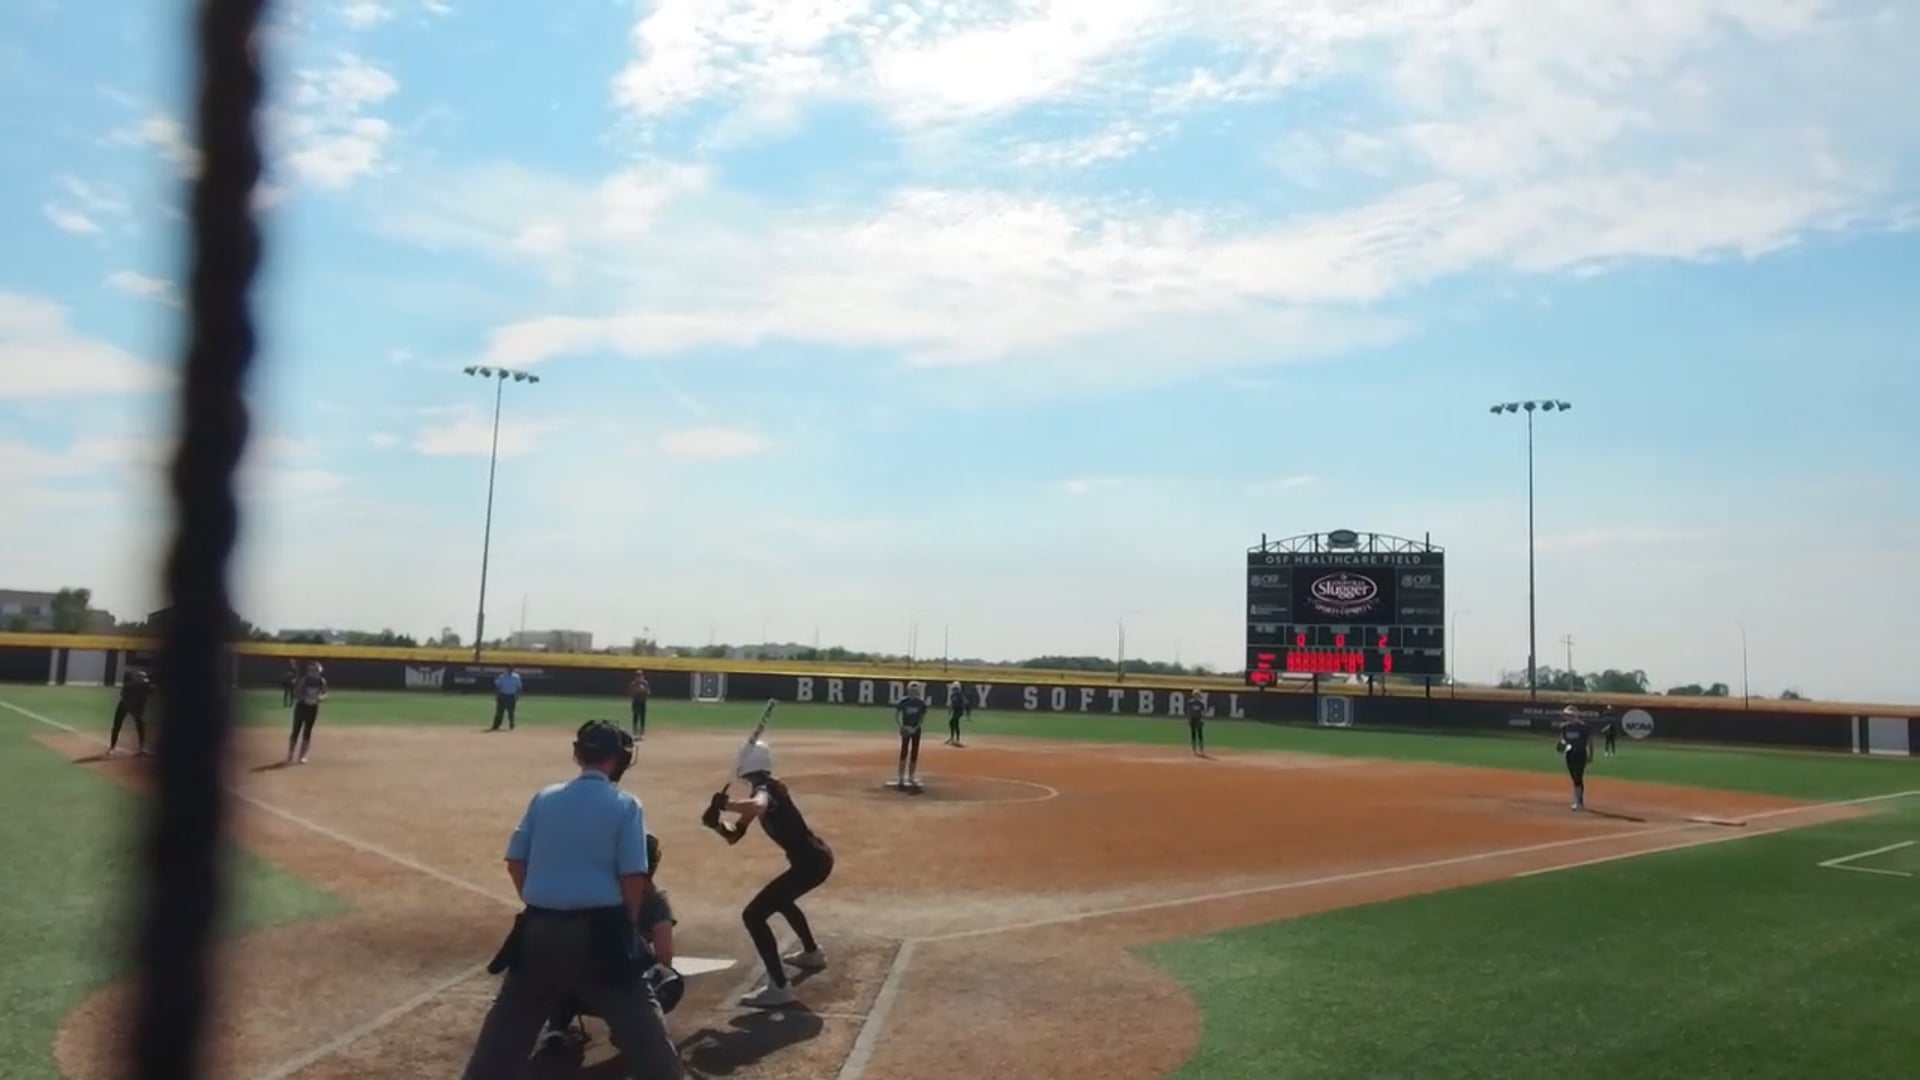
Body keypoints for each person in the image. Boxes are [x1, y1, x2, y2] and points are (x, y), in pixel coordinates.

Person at [462, 721, 683, 1080]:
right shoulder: (626, 805)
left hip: (535, 932)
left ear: (578, 754)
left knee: (500, 1048)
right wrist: (627, 928)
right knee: (650, 1049)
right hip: (601, 935)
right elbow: (633, 878)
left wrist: (541, 902)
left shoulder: (544, 798)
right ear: (619, 759)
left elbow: (516, 862)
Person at [704, 738, 833, 1008]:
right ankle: (812, 953)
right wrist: (716, 824)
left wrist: (727, 805)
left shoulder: (766, 789)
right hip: (811, 862)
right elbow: (735, 834)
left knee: (753, 915)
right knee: (781, 900)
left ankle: (779, 987)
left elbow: (759, 805)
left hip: (811, 863)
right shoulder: (762, 788)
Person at [538, 832, 677, 1056]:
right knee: (668, 980)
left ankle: (557, 1025)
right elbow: (664, 959)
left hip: (573, 990)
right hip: (623, 993)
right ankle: (630, 1028)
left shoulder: (591, 891)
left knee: (559, 956)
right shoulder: (656, 901)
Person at [286, 661, 326, 765]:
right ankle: (290, 754)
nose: (315, 673)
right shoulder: (304, 680)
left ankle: (302, 756)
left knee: (307, 731)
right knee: (296, 731)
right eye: (313, 671)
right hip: (302, 707)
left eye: (317, 671)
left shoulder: (322, 681)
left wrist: (321, 698)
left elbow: (324, 694)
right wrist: (303, 697)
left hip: (312, 708)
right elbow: (296, 693)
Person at [109, 665, 154, 756]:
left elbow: (149, 691)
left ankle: (141, 748)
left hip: (135, 706)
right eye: (142, 681)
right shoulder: (128, 687)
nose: (144, 683)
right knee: (117, 725)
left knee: (140, 724)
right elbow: (123, 695)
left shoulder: (145, 688)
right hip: (124, 705)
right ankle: (112, 748)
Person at [1556, 705, 1594, 811]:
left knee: (1578, 777)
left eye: (1570, 715)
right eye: (1567, 715)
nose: (1568, 717)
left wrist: (1591, 755)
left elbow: (1590, 741)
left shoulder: (1583, 727)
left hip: (1581, 754)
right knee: (1574, 777)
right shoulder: (1564, 727)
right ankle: (1578, 800)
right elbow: (1563, 739)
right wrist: (1562, 744)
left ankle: (1579, 802)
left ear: (1575, 715)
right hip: (1570, 754)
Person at [894, 682, 929, 788]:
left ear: (918, 691)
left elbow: (922, 718)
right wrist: (902, 726)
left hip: (916, 730)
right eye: (911, 690)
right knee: (904, 751)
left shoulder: (921, 703)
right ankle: (901, 777)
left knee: (914, 752)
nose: (913, 692)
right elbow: (897, 716)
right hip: (906, 729)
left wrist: (915, 728)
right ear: (908, 690)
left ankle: (911, 776)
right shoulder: (904, 702)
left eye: (915, 690)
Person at [491, 666, 523, 732]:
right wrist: (497, 695)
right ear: (506, 669)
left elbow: (519, 687)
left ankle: (511, 724)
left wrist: (517, 695)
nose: (510, 670)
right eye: (509, 669)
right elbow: (498, 686)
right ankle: (496, 725)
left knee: (511, 712)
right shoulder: (502, 677)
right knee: (499, 712)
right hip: (503, 695)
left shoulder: (516, 677)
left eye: (511, 669)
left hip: (511, 696)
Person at [943, 679, 969, 747]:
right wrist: (950, 709)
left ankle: (956, 739)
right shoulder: (952, 695)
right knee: (954, 723)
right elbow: (952, 703)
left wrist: (963, 709)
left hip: (959, 711)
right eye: (954, 688)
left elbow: (965, 702)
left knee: (953, 722)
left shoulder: (960, 695)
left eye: (956, 688)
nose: (955, 689)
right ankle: (954, 738)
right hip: (955, 711)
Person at [628, 670, 651, 739]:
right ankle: (635, 731)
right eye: (637, 676)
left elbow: (648, 692)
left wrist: (644, 691)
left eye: (640, 675)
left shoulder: (645, 683)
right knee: (635, 716)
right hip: (636, 701)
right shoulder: (633, 684)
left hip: (642, 702)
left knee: (642, 717)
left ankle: (641, 732)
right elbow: (630, 693)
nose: (639, 677)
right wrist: (637, 690)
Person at [1185, 689, 1208, 756]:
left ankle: (1201, 750)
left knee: (1200, 735)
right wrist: (1188, 719)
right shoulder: (1190, 703)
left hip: (1199, 719)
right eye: (1195, 695)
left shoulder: (1201, 703)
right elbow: (1188, 711)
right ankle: (1194, 750)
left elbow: (1203, 712)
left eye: (1197, 695)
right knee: (1193, 735)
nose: (1196, 696)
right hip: (1192, 719)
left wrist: (1203, 719)